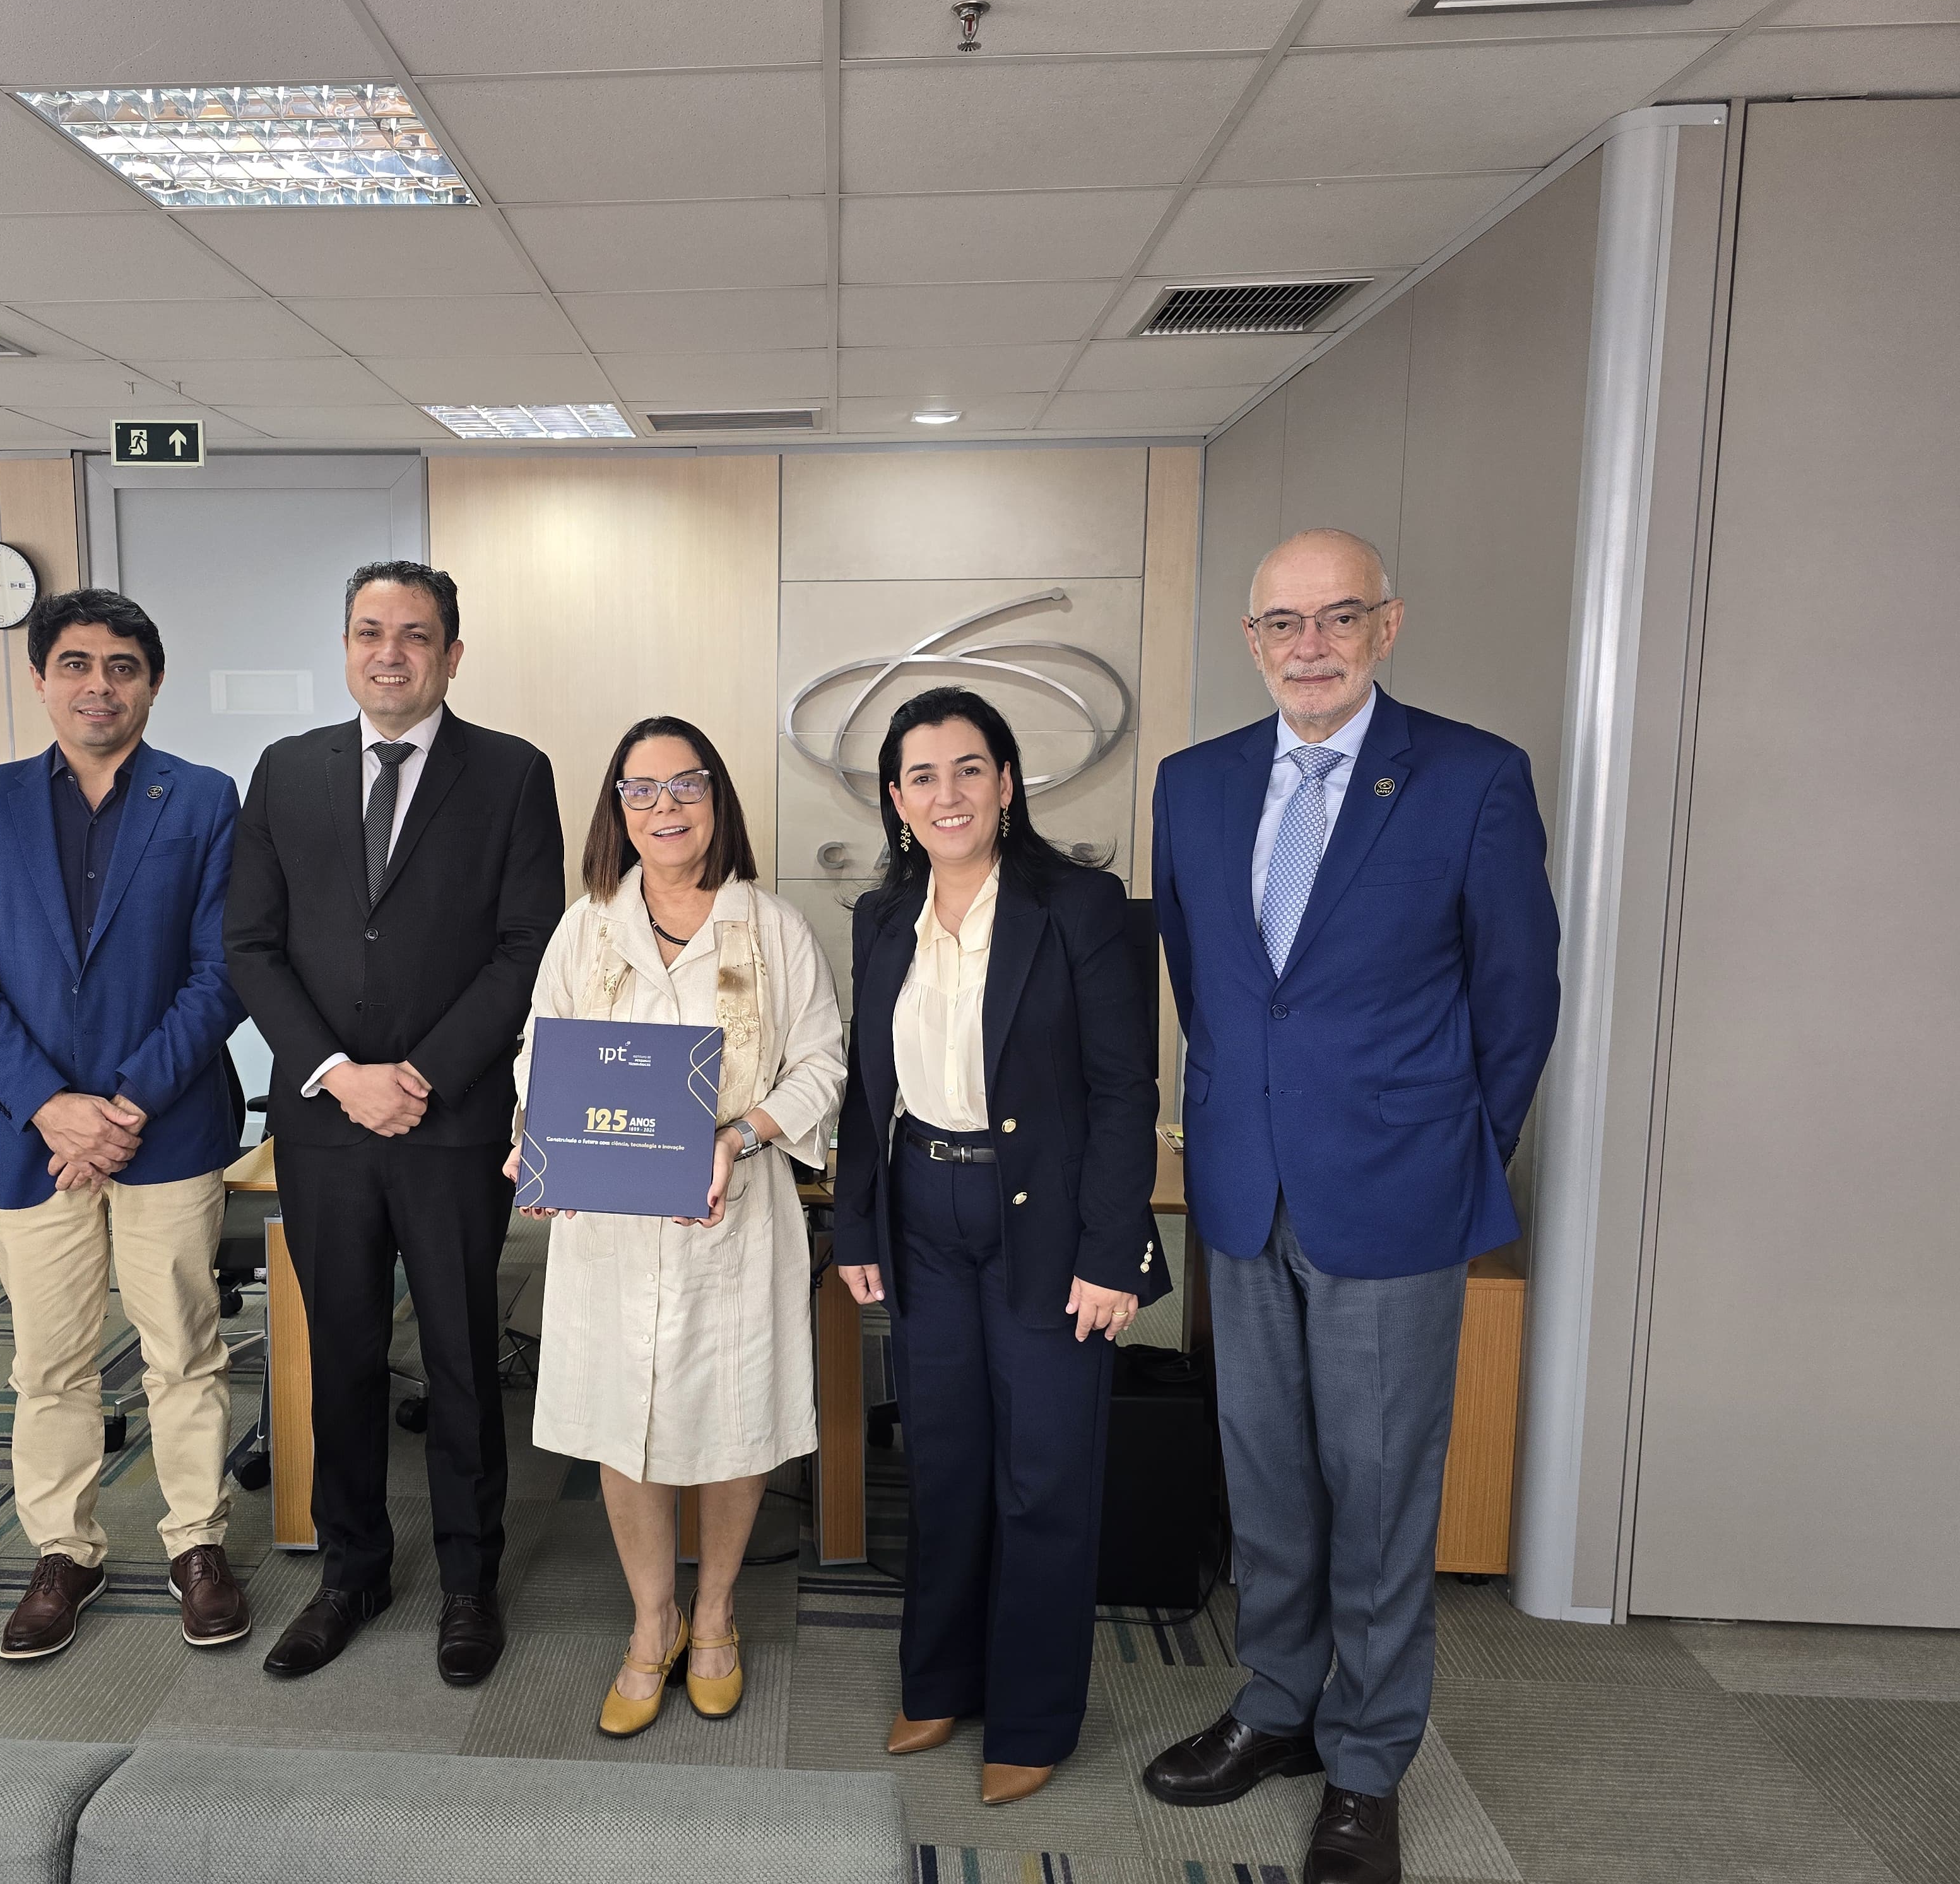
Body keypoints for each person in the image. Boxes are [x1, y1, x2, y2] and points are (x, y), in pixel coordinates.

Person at [1142, 530, 1559, 1884]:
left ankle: (1368, 1759)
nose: (1308, 646)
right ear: (1251, 639)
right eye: (1283, 623)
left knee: (1378, 1489)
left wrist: (1453, 1149)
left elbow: (1517, 996)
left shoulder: (1471, 777)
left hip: (1396, 1193)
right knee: (1265, 1474)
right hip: (1242, 1186)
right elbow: (1211, 989)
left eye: (1337, 618)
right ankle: (1278, 1704)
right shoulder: (1194, 783)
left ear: (1387, 625)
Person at [225, 560, 564, 1688]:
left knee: (463, 1357)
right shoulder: (286, 771)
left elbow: (527, 945)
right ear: (346, 647)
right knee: (342, 1354)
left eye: (415, 634)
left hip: (451, 1121)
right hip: (326, 1125)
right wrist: (337, 1073)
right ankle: (351, 1572)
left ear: (452, 655)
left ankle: (469, 1580)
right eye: (370, 631)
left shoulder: (512, 773)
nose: (390, 653)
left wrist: (419, 1073)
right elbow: (251, 946)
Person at [831, 686, 1166, 1808]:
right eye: (922, 776)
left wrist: (1113, 1252)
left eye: (969, 769)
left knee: (1044, 1475)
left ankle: (1031, 1717)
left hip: (1048, 1225)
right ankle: (939, 1681)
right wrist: (858, 1221)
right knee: (944, 1459)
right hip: (923, 1214)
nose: (948, 794)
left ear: (1008, 783)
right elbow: (868, 1086)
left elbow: (1124, 1090)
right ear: (897, 799)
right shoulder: (884, 916)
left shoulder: (1079, 906)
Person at [0, 588, 248, 1664]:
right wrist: (52, 1105)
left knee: (184, 1350)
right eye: (75, 664)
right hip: (32, 1137)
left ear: (152, 684)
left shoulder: (203, 799)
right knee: (48, 1361)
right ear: (39, 679)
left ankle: (197, 1541)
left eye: (121, 667)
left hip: (169, 1127)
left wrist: (127, 1104)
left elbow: (221, 972)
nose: (97, 686)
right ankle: (64, 1549)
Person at [508, 718, 844, 1737]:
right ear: (617, 810)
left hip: (732, 1216)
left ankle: (714, 1615)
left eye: (686, 785)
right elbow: (539, 1053)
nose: (666, 807)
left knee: (736, 1420)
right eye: (642, 790)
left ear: (717, 799)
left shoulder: (772, 928)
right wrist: (541, 1141)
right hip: (610, 1224)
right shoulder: (587, 928)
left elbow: (823, 1065)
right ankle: (650, 1620)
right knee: (626, 1423)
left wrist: (741, 1133)